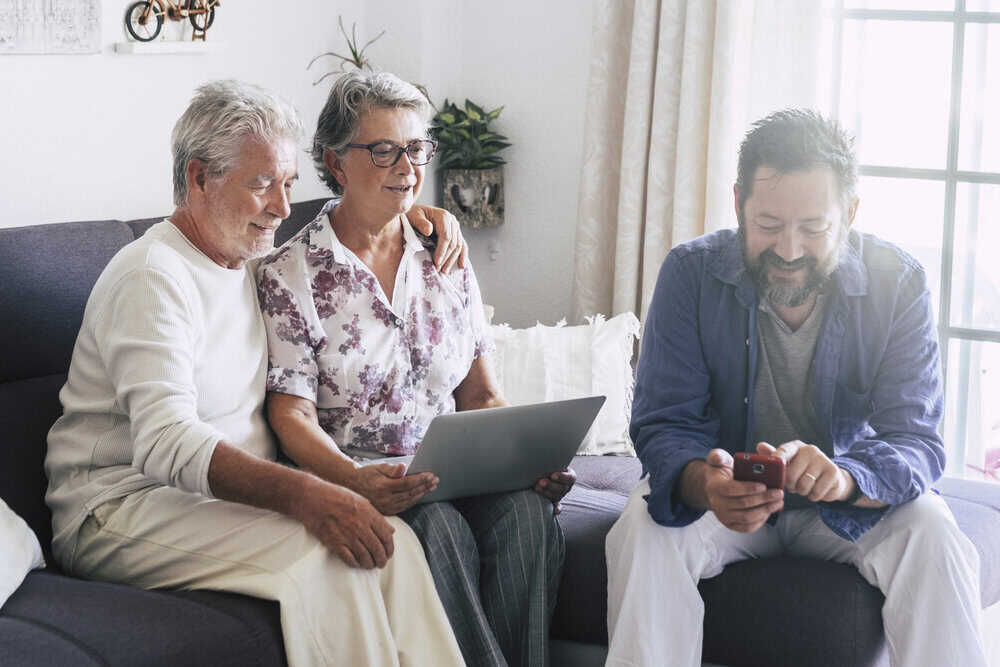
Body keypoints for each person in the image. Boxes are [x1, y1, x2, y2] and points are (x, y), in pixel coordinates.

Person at [44, 79, 473, 667]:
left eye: (289, 185)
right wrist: (309, 495)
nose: (279, 206)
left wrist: (418, 214)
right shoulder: (154, 276)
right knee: (333, 561)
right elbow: (165, 442)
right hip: (121, 507)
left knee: (390, 544)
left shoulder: (243, 259)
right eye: (261, 184)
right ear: (199, 179)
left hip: (207, 500)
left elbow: (355, 232)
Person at [605, 109, 987, 667]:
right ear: (738, 203)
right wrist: (703, 484)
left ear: (850, 213)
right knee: (641, 528)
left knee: (934, 532)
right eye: (767, 224)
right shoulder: (690, 273)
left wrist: (849, 477)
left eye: (813, 228)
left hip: (846, 505)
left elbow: (916, 438)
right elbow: (663, 423)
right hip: (723, 503)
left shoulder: (898, 281)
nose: (788, 250)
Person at [257, 70, 572, 667]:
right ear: (336, 162)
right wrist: (353, 479)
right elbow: (289, 414)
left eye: (416, 148)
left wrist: (528, 458)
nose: (407, 166)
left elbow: (480, 394)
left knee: (531, 516)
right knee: (442, 530)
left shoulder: (445, 253)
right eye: (384, 150)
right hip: (372, 475)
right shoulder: (290, 273)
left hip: (461, 470)